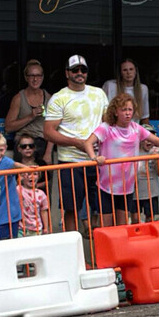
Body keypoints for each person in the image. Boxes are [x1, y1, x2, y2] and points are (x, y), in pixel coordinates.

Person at [87, 92, 159, 228]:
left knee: (122, 226)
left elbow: (155, 139)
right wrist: (94, 157)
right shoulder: (106, 127)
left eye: (130, 109)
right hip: (106, 185)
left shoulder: (136, 128)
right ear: (115, 112)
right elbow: (88, 142)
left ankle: (119, 250)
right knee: (106, 226)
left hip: (127, 187)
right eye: (123, 110)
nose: (127, 113)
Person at [43, 55, 108, 237]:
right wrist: (77, 143)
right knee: (71, 208)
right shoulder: (59, 98)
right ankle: (74, 251)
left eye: (83, 70)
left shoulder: (99, 93)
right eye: (75, 70)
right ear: (67, 73)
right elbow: (48, 132)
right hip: (70, 162)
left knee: (102, 207)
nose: (79, 73)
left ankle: (100, 252)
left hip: (98, 160)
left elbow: (107, 123)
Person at [4, 60, 50, 164]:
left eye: (38, 76)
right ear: (26, 77)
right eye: (32, 76)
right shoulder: (19, 98)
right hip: (23, 144)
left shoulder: (49, 99)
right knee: (22, 178)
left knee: (43, 179)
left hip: (41, 144)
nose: (35, 79)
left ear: (42, 77)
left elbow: (54, 128)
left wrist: (48, 153)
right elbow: (8, 127)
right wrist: (30, 116)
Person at [18, 170, 50, 236]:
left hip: (36, 228)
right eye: (28, 174)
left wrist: (46, 227)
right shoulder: (19, 189)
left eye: (35, 174)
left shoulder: (41, 194)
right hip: (22, 228)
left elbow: (43, 211)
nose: (31, 176)